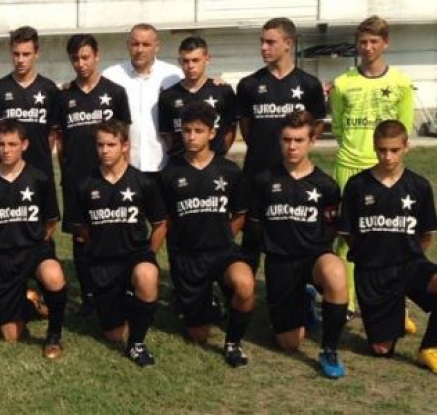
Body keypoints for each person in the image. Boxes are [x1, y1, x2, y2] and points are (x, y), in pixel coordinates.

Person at [245, 111, 349, 379]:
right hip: (280, 261)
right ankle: (305, 300)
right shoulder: (264, 180)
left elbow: (331, 228)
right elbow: (255, 227)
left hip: (314, 257)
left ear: (311, 141)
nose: (292, 146)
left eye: (299, 140)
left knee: (336, 272)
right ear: (279, 140)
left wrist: (321, 253)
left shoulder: (326, 185)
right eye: (287, 139)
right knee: (289, 343)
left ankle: (329, 350)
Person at [330, 16, 416, 326]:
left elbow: (403, 129)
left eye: (374, 41)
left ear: (385, 43)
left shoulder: (401, 83)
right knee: (346, 236)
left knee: (390, 235)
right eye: (363, 42)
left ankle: (394, 301)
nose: (368, 47)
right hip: (349, 166)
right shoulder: (342, 83)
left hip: (384, 168)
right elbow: (338, 127)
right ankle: (348, 300)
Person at [157, 102, 255, 367]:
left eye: (198, 131)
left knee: (245, 284)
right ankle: (207, 303)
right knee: (198, 335)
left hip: (223, 252)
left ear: (212, 133)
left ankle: (233, 343)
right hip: (188, 257)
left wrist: (222, 236)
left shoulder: (229, 171)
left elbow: (239, 214)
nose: (191, 137)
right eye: (186, 130)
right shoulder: (169, 173)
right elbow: (166, 221)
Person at [336, 120, 437, 374]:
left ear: (406, 147)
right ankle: (396, 313)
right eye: (382, 150)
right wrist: (372, 254)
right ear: (374, 146)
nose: (388, 156)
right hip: (373, 273)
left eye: (394, 150)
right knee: (381, 350)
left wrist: (409, 256)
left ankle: (429, 348)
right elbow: (348, 235)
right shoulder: (358, 186)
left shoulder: (419, 186)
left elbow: (426, 235)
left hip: (409, 265)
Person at [70, 120, 167, 367]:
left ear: (125, 146)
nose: (105, 150)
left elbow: (160, 224)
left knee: (147, 274)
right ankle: (127, 300)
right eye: (100, 145)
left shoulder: (143, 182)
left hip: (135, 255)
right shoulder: (85, 185)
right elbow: (81, 230)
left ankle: (136, 344)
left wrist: (148, 255)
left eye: (111, 145)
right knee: (113, 335)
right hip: (103, 263)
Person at [236, 17, 327, 272]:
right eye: (261, 42)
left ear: (288, 43)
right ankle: (245, 291)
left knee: (293, 236)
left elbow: (316, 126)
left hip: (294, 177)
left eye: (270, 42)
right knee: (252, 237)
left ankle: (298, 287)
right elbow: (247, 128)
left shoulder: (309, 84)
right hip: (257, 172)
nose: (263, 47)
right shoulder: (249, 84)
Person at [0, 119, 68, 358]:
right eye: (1, 144)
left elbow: (50, 222)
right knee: (10, 336)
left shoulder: (39, 179)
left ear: (24, 145)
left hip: (34, 251)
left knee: (54, 276)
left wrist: (35, 242)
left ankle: (54, 335)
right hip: (4, 257)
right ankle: (30, 303)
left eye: (12, 144)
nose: (6, 150)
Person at [56, 33, 131, 316]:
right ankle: (88, 294)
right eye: (75, 58)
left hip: (109, 176)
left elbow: (125, 137)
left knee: (111, 229)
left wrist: (124, 172)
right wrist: (66, 172)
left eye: (85, 57)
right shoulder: (64, 96)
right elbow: (60, 140)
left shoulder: (115, 92)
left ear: (97, 55)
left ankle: (118, 288)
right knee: (81, 235)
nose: (81, 63)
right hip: (76, 178)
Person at [103, 23, 183, 173]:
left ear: (156, 47)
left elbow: (196, 90)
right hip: (125, 168)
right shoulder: (111, 76)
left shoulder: (174, 76)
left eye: (146, 44)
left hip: (166, 165)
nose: (140, 50)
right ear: (128, 45)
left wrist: (217, 83)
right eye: (135, 44)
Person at [0, 26, 60, 189]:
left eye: (26, 54)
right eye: (16, 54)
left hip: (41, 170)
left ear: (36, 53)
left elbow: (52, 135)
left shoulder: (49, 89)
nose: (20, 60)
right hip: (7, 174)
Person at [159, 36, 237, 157]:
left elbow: (230, 129)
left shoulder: (223, 91)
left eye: (195, 60)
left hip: (215, 162)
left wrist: (219, 155)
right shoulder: (168, 96)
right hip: (180, 163)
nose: (190, 66)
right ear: (179, 61)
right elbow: (167, 135)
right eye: (186, 61)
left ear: (207, 59)